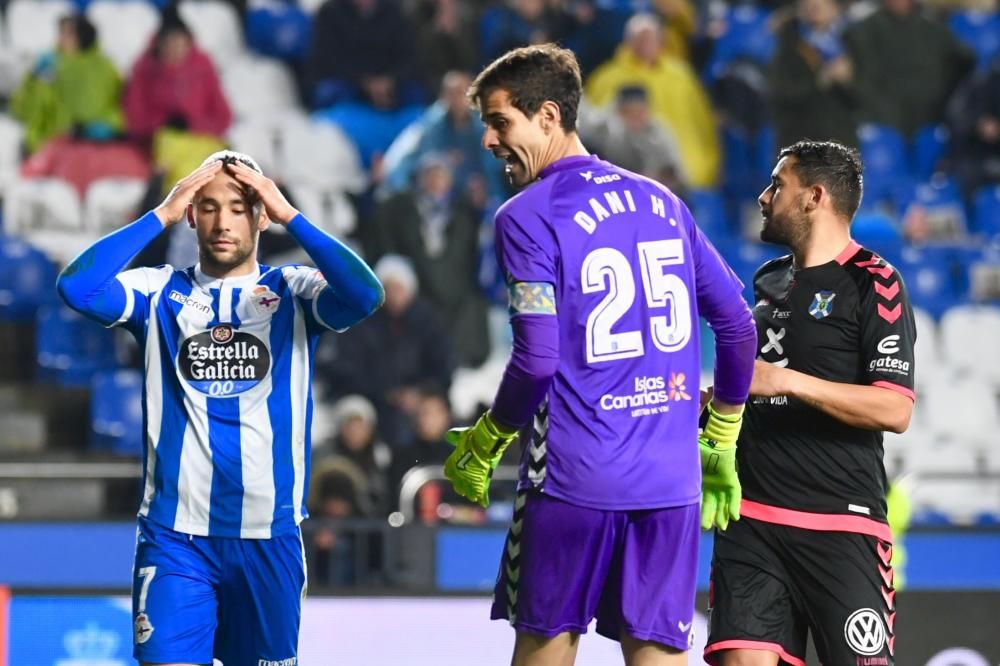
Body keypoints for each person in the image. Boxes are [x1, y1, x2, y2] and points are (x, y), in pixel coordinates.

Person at [444, 44, 757, 666]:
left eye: (500, 121)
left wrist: (488, 439)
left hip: (573, 481)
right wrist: (719, 438)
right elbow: (738, 328)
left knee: (546, 645)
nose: (488, 140)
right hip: (671, 485)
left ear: (549, 117)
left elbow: (535, 359)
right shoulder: (664, 202)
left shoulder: (525, 216)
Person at [55, 150, 383, 665]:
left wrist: (291, 214)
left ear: (259, 215)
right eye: (207, 206)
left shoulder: (291, 292)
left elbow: (366, 294)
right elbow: (76, 286)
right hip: (176, 537)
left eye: (238, 206)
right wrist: (160, 213)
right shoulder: (159, 290)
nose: (222, 221)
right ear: (192, 214)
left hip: (268, 536)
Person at [703, 141, 917, 666]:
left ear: (814, 197)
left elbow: (894, 410)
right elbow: (755, 386)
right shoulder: (768, 280)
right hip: (750, 521)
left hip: (841, 526)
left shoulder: (876, 282)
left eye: (778, 184)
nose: (763, 196)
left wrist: (788, 381)